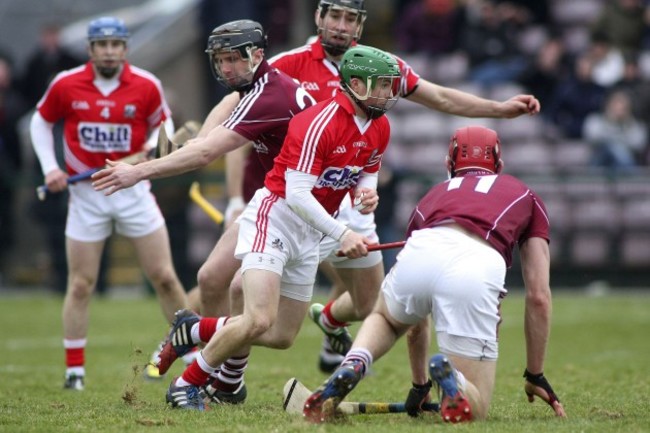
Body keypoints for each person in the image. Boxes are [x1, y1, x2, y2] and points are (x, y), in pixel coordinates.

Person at [197, 0, 542, 376]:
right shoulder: (288, 63)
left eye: (350, 18)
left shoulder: (379, 67)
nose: (341, 26)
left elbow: (440, 97)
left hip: (348, 201)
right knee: (217, 278)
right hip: (296, 195)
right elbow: (236, 99)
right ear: (318, 18)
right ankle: (218, 370)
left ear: (360, 25)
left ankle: (328, 320)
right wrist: (200, 143)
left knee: (366, 303)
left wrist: (499, 108)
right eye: (334, 16)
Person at [93, 44, 402, 411]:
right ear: (355, 83)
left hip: (311, 232)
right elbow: (298, 195)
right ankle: (186, 385)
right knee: (256, 317)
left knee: (282, 336)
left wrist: (367, 194)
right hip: (277, 217)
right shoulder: (320, 122)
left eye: (389, 85)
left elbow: (367, 170)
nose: (389, 92)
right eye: (381, 84)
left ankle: (193, 330)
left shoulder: (379, 126)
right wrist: (343, 233)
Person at [302, 125, 567, 423]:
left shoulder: (432, 195)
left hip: (423, 250)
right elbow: (539, 297)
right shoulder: (526, 195)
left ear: (448, 163)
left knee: (386, 319)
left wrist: (419, 385)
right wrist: (535, 374)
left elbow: (416, 322)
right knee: (475, 407)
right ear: (499, 165)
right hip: (475, 266)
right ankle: (453, 378)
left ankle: (355, 360)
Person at [29, 16, 189, 391]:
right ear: (91, 50)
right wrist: (51, 168)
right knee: (81, 284)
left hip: (134, 192)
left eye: (116, 45)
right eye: (102, 45)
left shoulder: (146, 84)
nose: (109, 51)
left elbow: (163, 127)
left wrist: (150, 147)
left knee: (165, 277)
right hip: (86, 197)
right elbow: (40, 121)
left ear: (125, 49)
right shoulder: (66, 83)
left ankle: (196, 359)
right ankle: (74, 373)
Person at [583, 88, 648, 169]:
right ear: (608, 106)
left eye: (623, 108)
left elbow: (639, 144)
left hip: (623, 163)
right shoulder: (595, 120)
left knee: (617, 150)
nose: (619, 110)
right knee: (611, 147)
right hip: (599, 162)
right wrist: (610, 122)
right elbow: (592, 138)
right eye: (615, 106)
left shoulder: (634, 125)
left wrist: (626, 124)